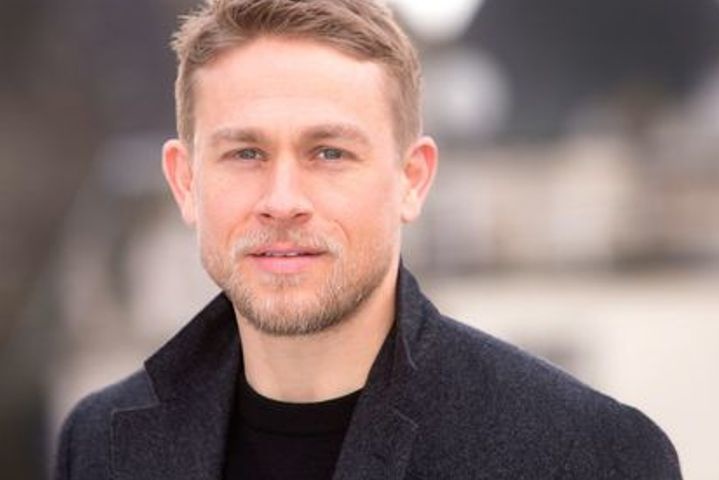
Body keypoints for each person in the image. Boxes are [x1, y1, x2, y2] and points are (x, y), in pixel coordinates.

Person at [54, 0, 682, 478]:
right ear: (185, 182)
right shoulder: (99, 445)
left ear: (412, 180)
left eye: (329, 152)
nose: (282, 200)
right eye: (245, 153)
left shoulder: (588, 456)